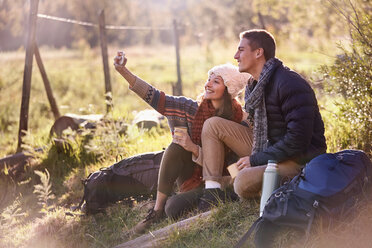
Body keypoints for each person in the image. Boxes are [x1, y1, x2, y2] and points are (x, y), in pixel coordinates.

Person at [113, 52, 251, 233]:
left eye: (216, 81)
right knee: (177, 148)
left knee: (176, 207)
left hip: (222, 180)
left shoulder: (239, 121)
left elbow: (235, 167)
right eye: (208, 79)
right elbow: (155, 97)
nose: (207, 84)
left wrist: (195, 149)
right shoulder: (189, 108)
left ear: (228, 90)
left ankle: (217, 196)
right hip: (192, 176)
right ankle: (156, 211)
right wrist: (123, 71)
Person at [198, 29, 327, 210]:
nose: (236, 56)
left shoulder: (290, 83)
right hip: (268, 149)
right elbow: (256, 128)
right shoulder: (253, 86)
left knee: (242, 181)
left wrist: (255, 159)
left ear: (259, 53)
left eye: (241, 50)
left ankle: (233, 185)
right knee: (213, 125)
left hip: (298, 160)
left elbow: (297, 141)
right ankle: (213, 190)